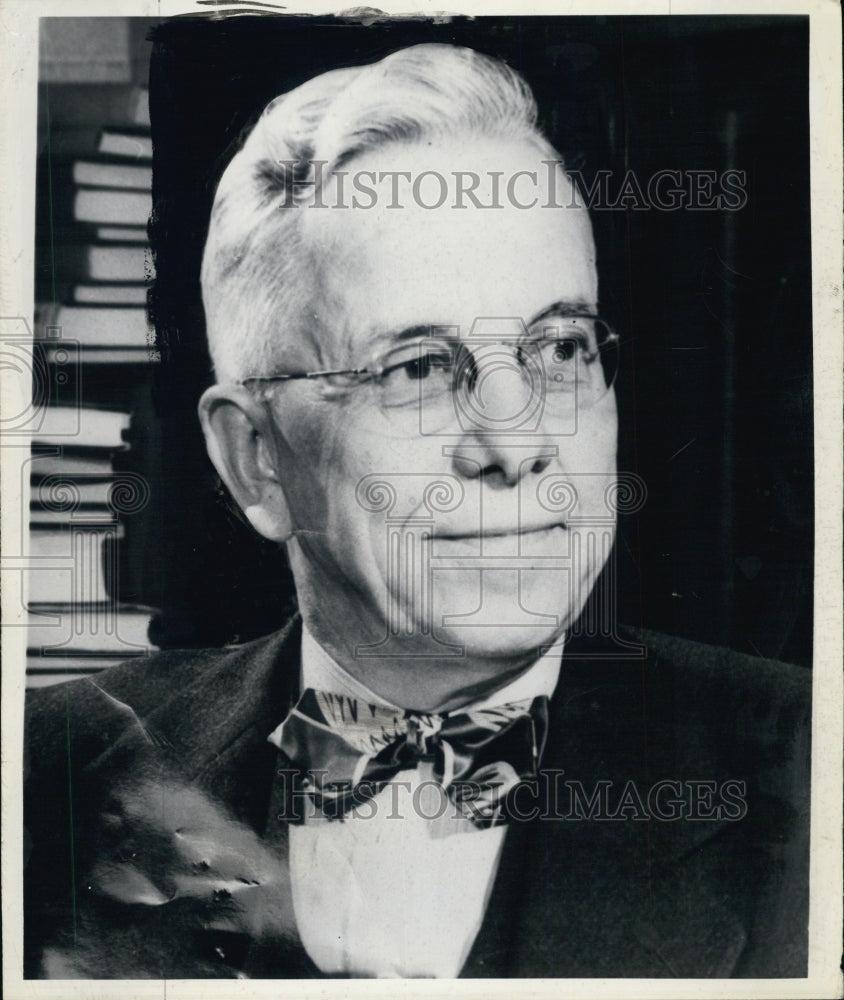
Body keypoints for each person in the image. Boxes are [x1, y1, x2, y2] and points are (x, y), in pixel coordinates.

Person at [24, 43, 810, 979]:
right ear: (257, 458)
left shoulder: (809, 767)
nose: (513, 445)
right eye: (421, 368)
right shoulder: (55, 773)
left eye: (559, 349)